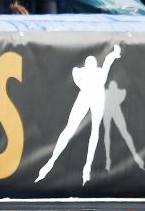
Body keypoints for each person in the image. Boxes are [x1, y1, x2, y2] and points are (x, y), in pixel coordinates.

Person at [35, 45, 121, 185]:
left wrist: (115, 53)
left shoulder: (97, 74)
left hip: (95, 97)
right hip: (87, 96)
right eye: (88, 64)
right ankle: (52, 162)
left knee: (93, 131)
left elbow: (108, 61)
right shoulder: (82, 73)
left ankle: (86, 168)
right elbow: (105, 62)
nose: (91, 65)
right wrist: (114, 54)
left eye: (92, 64)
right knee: (71, 129)